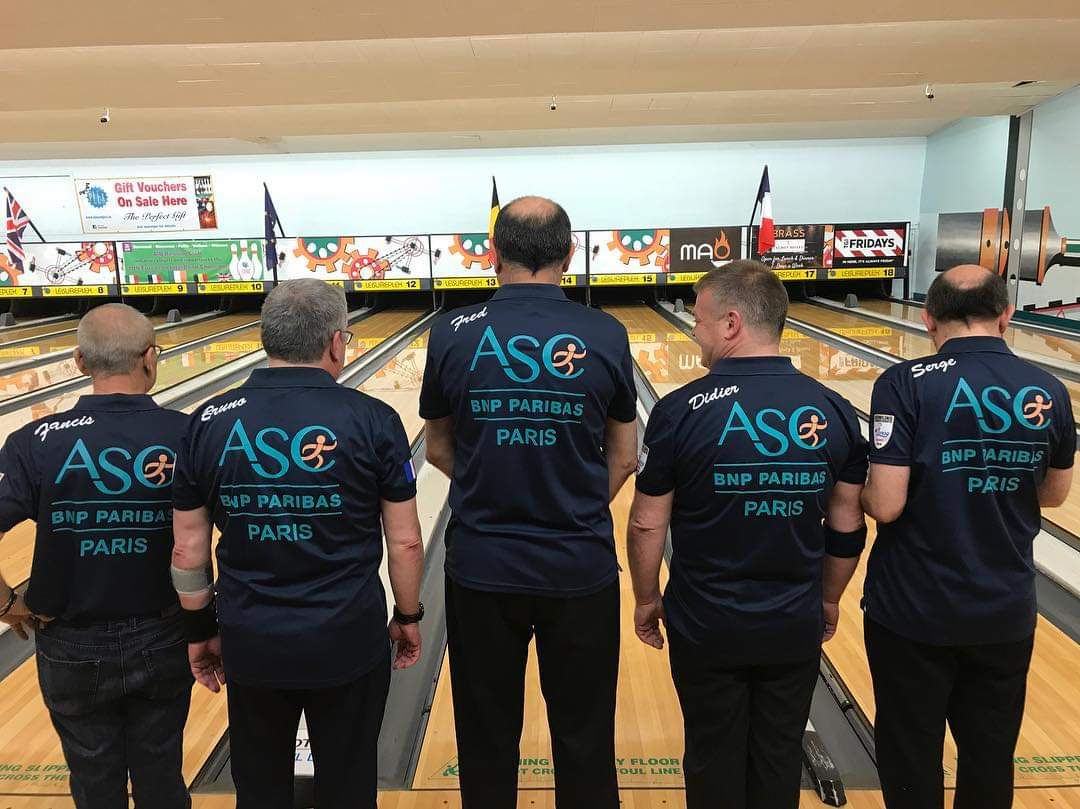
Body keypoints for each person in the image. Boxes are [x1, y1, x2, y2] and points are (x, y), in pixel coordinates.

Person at [170, 279, 425, 809]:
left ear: (268, 337)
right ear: (335, 342)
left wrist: (199, 631)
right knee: (348, 783)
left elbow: (187, 551)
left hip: (251, 638)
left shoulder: (206, 422)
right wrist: (408, 615)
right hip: (349, 637)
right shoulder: (375, 419)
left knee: (259, 786)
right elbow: (404, 541)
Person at [420, 196, 639, 808]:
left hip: (481, 567)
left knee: (486, 736)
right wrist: (575, 501)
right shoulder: (607, 333)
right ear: (570, 253)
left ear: (493, 254)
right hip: (579, 566)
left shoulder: (450, 333)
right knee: (585, 736)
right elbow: (624, 456)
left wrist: (490, 484)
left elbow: (437, 447)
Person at [628, 262, 869, 809]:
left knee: (711, 755)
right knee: (777, 756)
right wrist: (829, 598)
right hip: (792, 620)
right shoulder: (834, 410)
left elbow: (646, 522)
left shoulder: (678, 412)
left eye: (699, 318)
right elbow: (847, 525)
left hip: (705, 623)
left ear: (731, 323)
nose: (694, 330)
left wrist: (646, 597)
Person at [861, 265, 1075, 809]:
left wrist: (855, 492)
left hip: (912, 609)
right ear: (1006, 316)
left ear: (928, 319)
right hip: (1003, 609)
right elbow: (1054, 496)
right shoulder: (1049, 390)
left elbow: (886, 504)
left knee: (910, 755)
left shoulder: (903, 384)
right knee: (989, 756)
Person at [0, 304, 191, 809]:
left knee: (93, 784)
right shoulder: (187, 434)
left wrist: (6, 604)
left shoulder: (32, 441)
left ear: (80, 362)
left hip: (69, 642)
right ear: (151, 358)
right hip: (164, 633)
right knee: (161, 778)